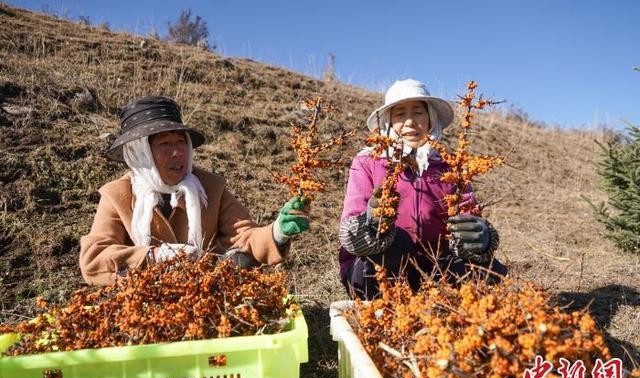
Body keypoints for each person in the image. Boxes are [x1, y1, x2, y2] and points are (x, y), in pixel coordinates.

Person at [79, 96, 309, 285]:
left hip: (205, 295)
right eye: (165, 144)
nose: (178, 152)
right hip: (143, 301)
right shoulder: (118, 196)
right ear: (141, 153)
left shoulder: (211, 188)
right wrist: (154, 257)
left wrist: (277, 232)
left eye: (181, 142)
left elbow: (245, 237)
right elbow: (94, 259)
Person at [338, 79, 507, 299]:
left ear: (430, 119)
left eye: (418, 113)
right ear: (388, 122)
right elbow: (348, 233)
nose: (409, 121)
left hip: (434, 269)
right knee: (397, 242)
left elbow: (467, 218)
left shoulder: (451, 168)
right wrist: (370, 225)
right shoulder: (367, 163)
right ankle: (382, 308)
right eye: (399, 114)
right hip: (379, 267)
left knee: (489, 273)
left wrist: (481, 240)